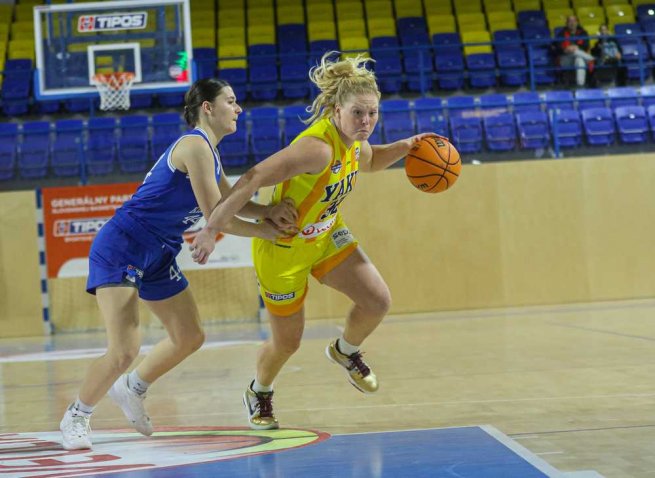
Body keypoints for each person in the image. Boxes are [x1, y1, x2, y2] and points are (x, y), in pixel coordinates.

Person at [190, 52, 442, 430]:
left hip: (325, 235)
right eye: (358, 113)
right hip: (283, 249)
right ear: (336, 110)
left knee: (377, 301)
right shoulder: (317, 148)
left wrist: (404, 147)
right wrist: (213, 228)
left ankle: (345, 351)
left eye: (373, 113)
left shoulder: (355, 141)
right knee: (287, 343)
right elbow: (252, 178)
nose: (367, 121)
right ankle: (259, 391)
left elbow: (370, 160)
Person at [59, 78, 297, 450]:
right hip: (124, 244)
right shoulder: (195, 147)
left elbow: (230, 201)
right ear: (207, 108)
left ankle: (132, 388)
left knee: (190, 336)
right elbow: (216, 216)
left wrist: (268, 212)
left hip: (159, 250)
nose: (238, 109)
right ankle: (77, 414)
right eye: (231, 102)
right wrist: (270, 232)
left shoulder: (210, 152)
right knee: (123, 349)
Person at [557, 15, 594, 87]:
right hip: (566, 58)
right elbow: (557, 47)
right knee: (574, 51)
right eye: (570, 21)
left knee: (579, 59)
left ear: (577, 22)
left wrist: (576, 47)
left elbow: (586, 45)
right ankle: (591, 58)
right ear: (566, 23)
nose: (572, 23)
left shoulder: (583, 32)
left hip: (580, 57)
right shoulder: (561, 34)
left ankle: (580, 85)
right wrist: (566, 49)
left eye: (574, 21)